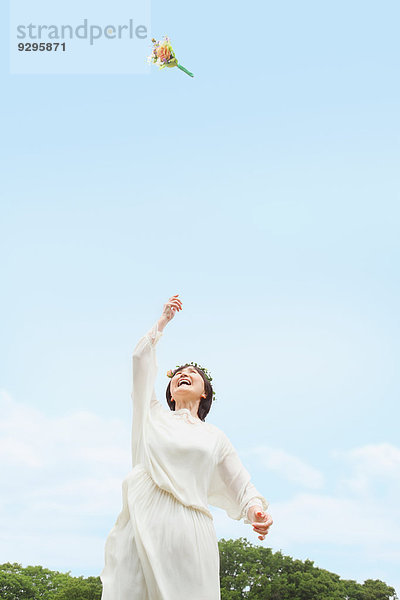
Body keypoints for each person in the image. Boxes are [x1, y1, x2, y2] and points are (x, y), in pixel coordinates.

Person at [100, 295, 273, 600]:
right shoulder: (150, 415)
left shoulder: (214, 436)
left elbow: (240, 484)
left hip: (191, 535)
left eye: (192, 373)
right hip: (141, 526)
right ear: (168, 390)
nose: (183, 374)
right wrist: (163, 321)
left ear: (205, 393)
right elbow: (140, 360)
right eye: (178, 372)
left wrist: (255, 510)